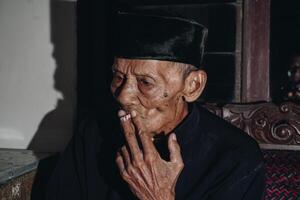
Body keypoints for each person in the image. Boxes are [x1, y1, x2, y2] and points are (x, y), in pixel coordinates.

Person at [44, 11, 265, 200]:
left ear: (192, 86)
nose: (123, 97)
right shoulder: (92, 132)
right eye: (118, 77)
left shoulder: (236, 158)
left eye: (145, 83)